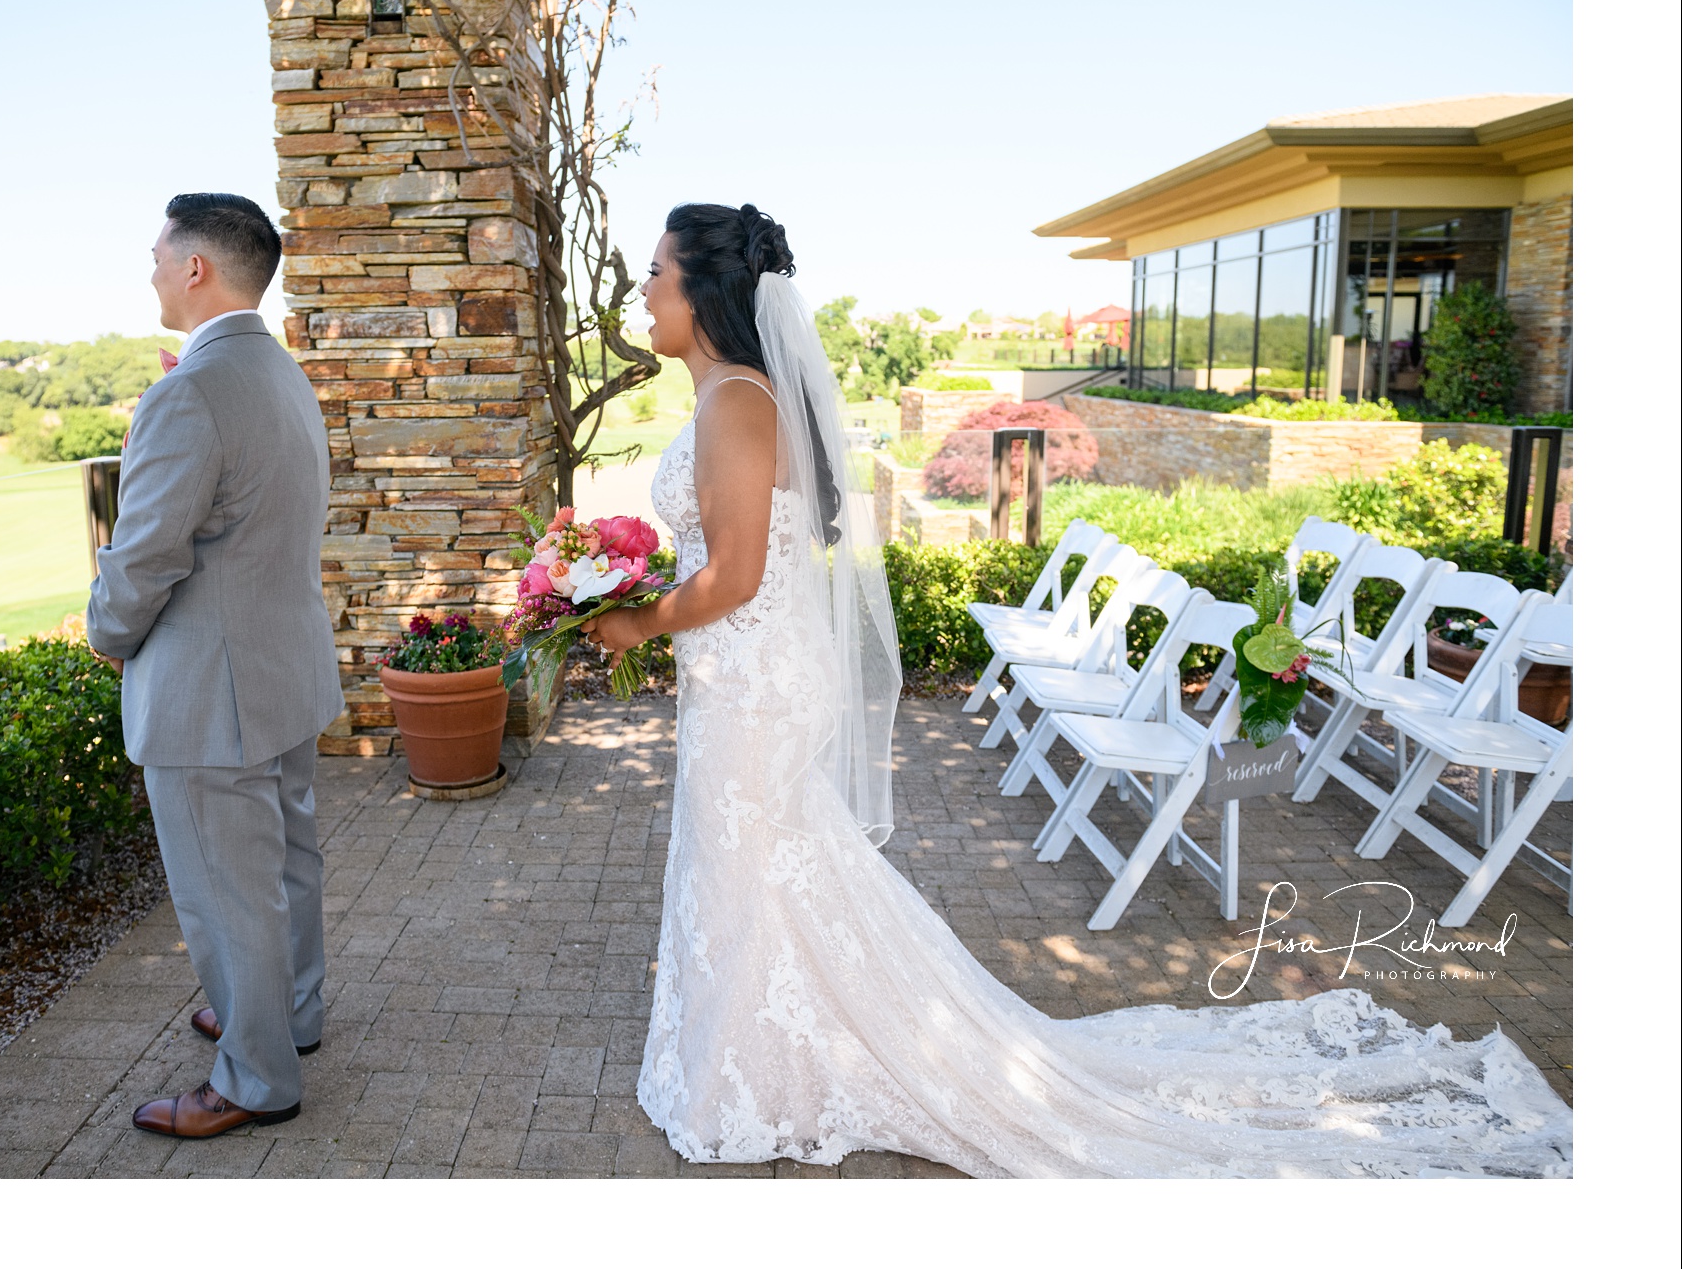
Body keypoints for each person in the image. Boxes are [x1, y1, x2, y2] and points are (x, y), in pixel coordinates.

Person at [579, 202, 1572, 1177]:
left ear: (702, 290)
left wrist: (634, 617)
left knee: (755, 862)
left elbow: (736, 573)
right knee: (756, 863)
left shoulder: (736, 402)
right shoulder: (735, 396)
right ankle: (757, 1056)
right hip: (747, 674)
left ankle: (769, 1074)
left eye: (657, 271)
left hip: (752, 682)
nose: (644, 288)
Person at [87, 193, 343, 1139]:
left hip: (211, 693)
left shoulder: (188, 393)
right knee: (287, 863)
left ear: (197, 267)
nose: (151, 267)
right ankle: (287, 1014)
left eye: (159, 253)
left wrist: (106, 635)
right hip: (283, 670)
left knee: (226, 888)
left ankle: (254, 1076)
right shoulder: (280, 372)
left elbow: (145, 556)